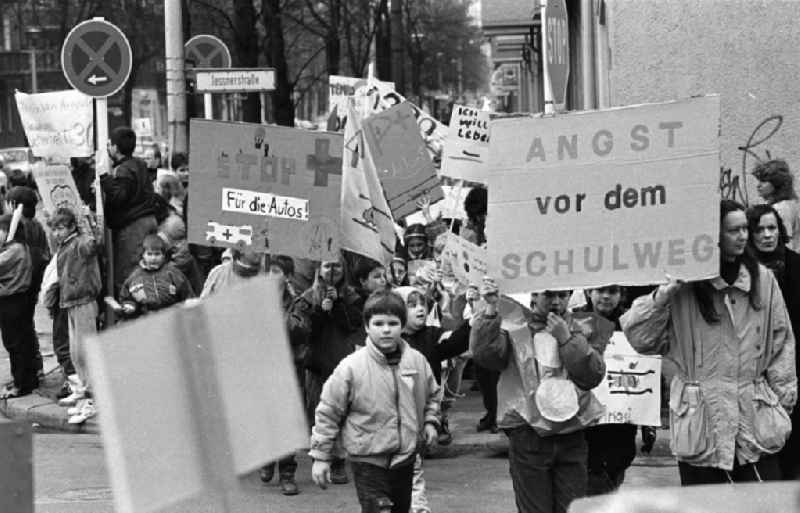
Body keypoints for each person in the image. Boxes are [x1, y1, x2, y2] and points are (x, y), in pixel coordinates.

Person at [622, 199, 796, 485]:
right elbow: (640, 338)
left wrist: (779, 407)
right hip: (700, 425)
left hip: (753, 424)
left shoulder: (763, 280)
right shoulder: (683, 285)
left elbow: (782, 343)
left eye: (744, 229)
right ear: (712, 234)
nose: (742, 236)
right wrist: (663, 295)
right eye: (732, 230)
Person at [470, 279, 608, 513]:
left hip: (572, 433)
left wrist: (567, 339)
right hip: (528, 433)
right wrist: (491, 309)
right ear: (533, 295)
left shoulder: (584, 325)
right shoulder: (514, 325)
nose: (556, 301)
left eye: (562, 294)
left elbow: (592, 375)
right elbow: (486, 357)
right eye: (548, 294)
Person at [309, 290, 440, 513]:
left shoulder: (416, 361)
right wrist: (321, 456)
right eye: (378, 323)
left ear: (402, 324)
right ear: (367, 327)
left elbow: (432, 394)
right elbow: (328, 412)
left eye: (393, 323)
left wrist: (430, 422)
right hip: (367, 460)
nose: (386, 329)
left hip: (405, 458)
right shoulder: (351, 367)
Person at [288, 255, 363, 485]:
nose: (333, 270)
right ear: (319, 269)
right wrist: (320, 311)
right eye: (328, 265)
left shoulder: (352, 295)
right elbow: (305, 332)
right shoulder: (307, 298)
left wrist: (338, 304)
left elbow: (355, 324)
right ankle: (321, 455)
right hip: (317, 364)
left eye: (337, 265)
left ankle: (339, 459)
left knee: (343, 411)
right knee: (317, 411)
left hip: (343, 361)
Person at [574, 285, 657, 494]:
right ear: (588, 292)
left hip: (620, 425)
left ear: (621, 295)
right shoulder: (574, 322)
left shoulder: (632, 322)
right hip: (583, 422)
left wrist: (648, 422)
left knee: (614, 472)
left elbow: (647, 370)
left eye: (612, 291)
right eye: (600, 290)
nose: (606, 296)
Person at [746, 203, 800, 479]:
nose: (767, 235)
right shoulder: (743, 271)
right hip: (755, 373)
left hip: (792, 370)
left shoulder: (795, 266)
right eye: (760, 229)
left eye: (772, 228)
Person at [50, 207, 102, 424]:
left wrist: (87, 220)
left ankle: (92, 399)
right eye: (54, 228)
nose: (56, 232)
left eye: (60, 228)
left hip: (83, 301)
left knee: (84, 352)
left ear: (71, 227)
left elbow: (92, 243)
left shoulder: (80, 243)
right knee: (75, 353)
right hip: (72, 301)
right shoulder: (65, 244)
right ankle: (83, 391)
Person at [258, 254, 304, 496]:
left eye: (277, 271)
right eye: (269, 271)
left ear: (286, 276)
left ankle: (287, 472)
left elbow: (299, 330)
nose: (271, 276)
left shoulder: (296, 301)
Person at [100, 126, 158, 295]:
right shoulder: (139, 164)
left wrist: (104, 179)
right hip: (148, 220)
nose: (108, 148)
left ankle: (131, 312)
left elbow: (119, 196)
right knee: (146, 269)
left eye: (110, 145)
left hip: (134, 226)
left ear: (116, 148)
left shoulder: (124, 169)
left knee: (129, 272)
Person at [6, 186, 49, 378]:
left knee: (21, 331)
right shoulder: (36, 224)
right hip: (34, 280)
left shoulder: (20, 227)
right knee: (27, 326)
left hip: (24, 284)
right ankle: (35, 366)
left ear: (14, 205)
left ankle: (28, 372)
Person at [0, 213, 38, 398]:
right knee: (21, 342)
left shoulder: (14, 250)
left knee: (14, 344)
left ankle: (21, 385)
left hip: (12, 301)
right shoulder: (17, 247)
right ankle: (26, 381)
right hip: (16, 299)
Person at [117, 234, 194, 317]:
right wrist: (130, 306)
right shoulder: (135, 277)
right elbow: (126, 298)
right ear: (143, 255)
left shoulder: (173, 273)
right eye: (149, 254)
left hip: (172, 317)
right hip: (146, 320)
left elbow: (188, 295)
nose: (153, 258)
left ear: (163, 256)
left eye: (157, 254)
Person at [753, 159, 800, 251]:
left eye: (764, 181)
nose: (758, 185)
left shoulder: (781, 209)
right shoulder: (783, 205)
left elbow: (787, 244)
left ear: (776, 183)